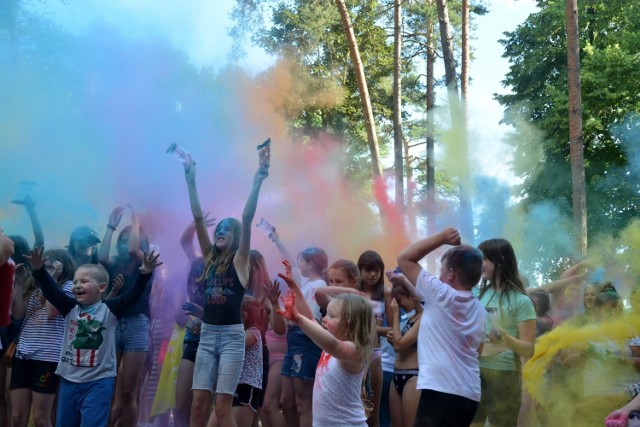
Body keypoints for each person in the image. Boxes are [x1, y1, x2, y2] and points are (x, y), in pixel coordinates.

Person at [23, 247, 161, 427]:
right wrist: (38, 270)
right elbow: (52, 292)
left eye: (84, 281)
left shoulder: (110, 308)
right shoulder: (70, 307)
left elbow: (132, 297)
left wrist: (144, 273)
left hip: (99, 382)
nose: (77, 285)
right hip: (69, 380)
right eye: (75, 282)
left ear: (102, 287)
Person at [184, 145, 269, 427]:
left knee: (222, 407)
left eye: (226, 229)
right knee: (198, 403)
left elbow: (245, 218)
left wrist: (257, 181)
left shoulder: (241, 261)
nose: (220, 231)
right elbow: (198, 219)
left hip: (233, 338)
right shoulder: (209, 259)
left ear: (236, 238)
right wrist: (190, 180)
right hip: (207, 336)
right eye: (218, 228)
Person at [397, 227, 486, 427]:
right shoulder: (479, 309)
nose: (439, 275)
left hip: (441, 390)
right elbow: (478, 351)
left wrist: (443, 238)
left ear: (451, 274)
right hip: (469, 393)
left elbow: (404, 258)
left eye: (442, 270)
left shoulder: (442, 295)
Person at [276, 262, 376, 427]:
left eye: (331, 316)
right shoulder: (330, 341)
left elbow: (334, 346)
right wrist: (294, 286)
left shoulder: (355, 350)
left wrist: (297, 319)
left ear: (348, 321)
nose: (324, 319)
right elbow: (309, 317)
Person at [471, 238, 536, 427]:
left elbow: (529, 350)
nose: (478, 264)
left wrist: (506, 339)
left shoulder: (521, 300)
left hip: (505, 377)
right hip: (474, 373)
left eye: (483, 259)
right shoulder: (476, 294)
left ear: (499, 260)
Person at [99, 206, 153, 427]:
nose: (125, 243)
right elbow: (102, 256)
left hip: (136, 325)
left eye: (129, 238)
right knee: (109, 390)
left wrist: (136, 219)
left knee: (129, 393)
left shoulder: (147, 260)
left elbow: (133, 250)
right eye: (121, 239)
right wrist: (111, 226)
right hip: (114, 323)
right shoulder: (116, 263)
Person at [9, 249, 75, 427]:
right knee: (17, 417)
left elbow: (52, 312)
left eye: (47, 266)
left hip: (47, 358)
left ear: (60, 267)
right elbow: (17, 315)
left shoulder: (68, 287)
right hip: (23, 356)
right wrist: (20, 284)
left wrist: (51, 279)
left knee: (40, 419)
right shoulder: (34, 286)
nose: (42, 270)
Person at [278, 248, 328, 427]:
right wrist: (277, 241)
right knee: (286, 401)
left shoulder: (319, 285)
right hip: (293, 339)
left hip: (305, 339)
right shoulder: (306, 285)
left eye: (301, 261)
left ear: (311, 264)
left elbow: (311, 317)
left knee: (303, 403)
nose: (298, 265)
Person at [357, 250, 391, 427]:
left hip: (376, 353)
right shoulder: (354, 292)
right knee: (356, 409)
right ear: (359, 270)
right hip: (354, 353)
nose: (372, 275)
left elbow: (392, 329)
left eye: (376, 271)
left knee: (373, 412)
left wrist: (375, 328)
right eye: (367, 270)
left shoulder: (385, 293)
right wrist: (376, 327)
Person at [386, 273, 422, 427]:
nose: (399, 306)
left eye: (401, 301)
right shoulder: (411, 318)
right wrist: (392, 336)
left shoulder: (424, 318)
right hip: (397, 375)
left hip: (413, 376)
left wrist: (395, 315)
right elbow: (400, 343)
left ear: (413, 296)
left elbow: (399, 345)